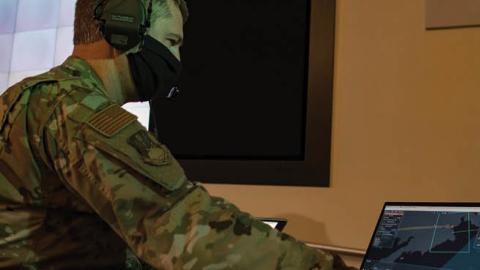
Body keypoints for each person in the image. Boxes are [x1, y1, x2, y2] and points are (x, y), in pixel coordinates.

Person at [0, 0, 356, 269]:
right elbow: (184, 229)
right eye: (171, 40)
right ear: (123, 28)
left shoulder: (29, 97)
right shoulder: (77, 111)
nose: (176, 58)